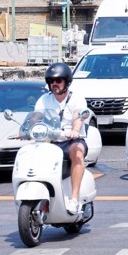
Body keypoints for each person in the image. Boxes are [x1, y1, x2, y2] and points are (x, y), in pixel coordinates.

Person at [34, 62, 88, 215]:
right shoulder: (44, 100)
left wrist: (75, 131)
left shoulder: (77, 99)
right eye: (51, 81)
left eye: (58, 81)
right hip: (51, 141)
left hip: (72, 140)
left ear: (66, 81)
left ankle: (74, 198)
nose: (54, 84)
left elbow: (78, 116)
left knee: (77, 152)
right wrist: (24, 129)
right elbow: (36, 117)